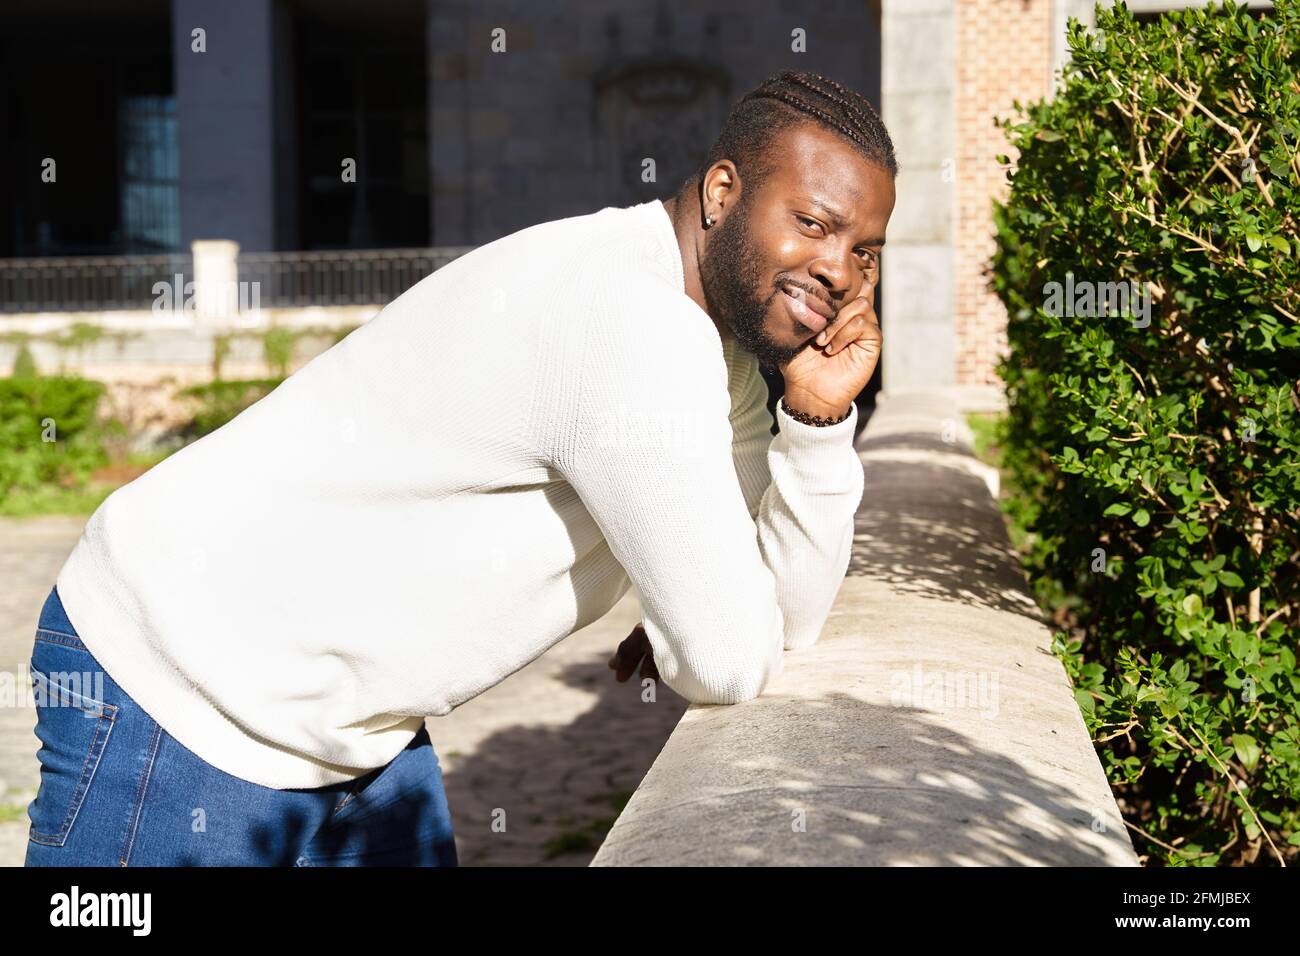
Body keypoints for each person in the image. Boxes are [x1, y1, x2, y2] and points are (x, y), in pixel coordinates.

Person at [24, 69, 896, 866]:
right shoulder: (633, 322)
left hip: (351, 725)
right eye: (813, 222)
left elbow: (776, 621)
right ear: (721, 192)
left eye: (866, 249)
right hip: (176, 681)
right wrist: (702, 610)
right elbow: (728, 660)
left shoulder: (724, 355)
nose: (838, 268)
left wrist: (817, 421)